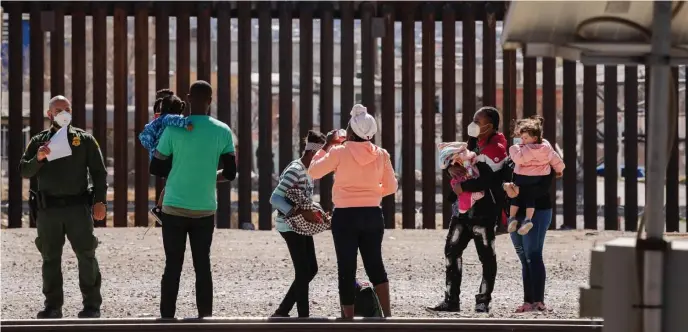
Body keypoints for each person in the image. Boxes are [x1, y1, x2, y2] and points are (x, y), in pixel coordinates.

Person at [149, 80, 237, 318]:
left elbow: (156, 166)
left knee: (172, 266)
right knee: (202, 266)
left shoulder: (173, 128)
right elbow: (230, 173)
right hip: (204, 210)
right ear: (211, 101)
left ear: (188, 98)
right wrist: (208, 175)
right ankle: (204, 318)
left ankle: (167, 317)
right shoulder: (223, 131)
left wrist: (180, 169)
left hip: (174, 207)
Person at [19, 95, 107, 319]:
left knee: (86, 255)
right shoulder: (39, 141)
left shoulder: (84, 140)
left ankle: (91, 305)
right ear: (49, 114)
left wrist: (100, 201)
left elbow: (99, 173)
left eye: (66, 108)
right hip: (49, 211)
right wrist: (38, 159)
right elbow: (24, 170)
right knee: (50, 258)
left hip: (78, 209)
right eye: (58, 110)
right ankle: (53, 306)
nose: (63, 113)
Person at [308, 104, 397, 318]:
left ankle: (348, 317)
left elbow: (314, 170)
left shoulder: (339, 152)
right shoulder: (382, 154)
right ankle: (387, 314)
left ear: (349, 131)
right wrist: (372, 193)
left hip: (345, 216)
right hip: (373, 215)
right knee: (375, 264)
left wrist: (327, 145)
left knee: (346, 267)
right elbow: (392, 187)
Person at [428, 106, 507, 314]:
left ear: (490, 125)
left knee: (487, 257)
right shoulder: (473, 143)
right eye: (473, 119)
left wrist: (465, 186)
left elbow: (489, 179)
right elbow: (458, 166)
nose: (473, 124)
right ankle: (451, 300)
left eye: (478, 121)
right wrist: (449, 169)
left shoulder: (497, 148)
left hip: (484, 213)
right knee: (451, 252)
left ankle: (483, 301)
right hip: (462, 212)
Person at [269, 130, 327, 318]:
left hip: (300, 225)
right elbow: (275, 198)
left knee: (311, 269)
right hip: (289, 225)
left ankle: (283, 311)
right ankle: (303, 318)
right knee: (303, 271)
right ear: (313, 154)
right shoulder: (296, 170)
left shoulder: (309, 170)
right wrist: (301, 212)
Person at [502, 151, 558, 313]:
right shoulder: (510, 161)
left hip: (537, 212)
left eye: (527, 137)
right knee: (523, 257)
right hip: (514, 213)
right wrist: (505, 186)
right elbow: (499, 180)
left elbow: (542, 187)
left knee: (533, 255)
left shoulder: (545, 159)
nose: (524, 142)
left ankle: (538, 301)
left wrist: (518, 191)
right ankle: (528, 301)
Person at [138, 89, 193, 224]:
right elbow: (176, 120)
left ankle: (160, 208)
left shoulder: (158, 121)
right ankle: (161, 207)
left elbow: (143, 137)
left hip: (157, 154)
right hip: (165, 155)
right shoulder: (169, 119)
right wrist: (187, 124)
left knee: (170, 181)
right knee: (174, 179)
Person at [506, 116, 564, 235]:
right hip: (537, 178)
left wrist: (514, 148)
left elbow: (518, 159)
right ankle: (528, 220)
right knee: (529, 198)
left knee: (516, 197)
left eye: (525, 138)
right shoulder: (547, 148)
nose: (522, 140)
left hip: (522, 177)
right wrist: (559, 169)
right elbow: (556, 160)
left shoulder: (523, 149)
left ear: (535, 138)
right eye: (522, 137)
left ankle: (512, 218)